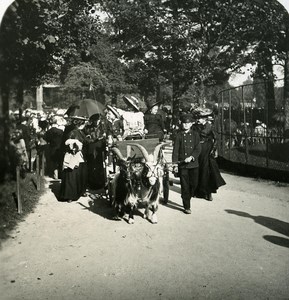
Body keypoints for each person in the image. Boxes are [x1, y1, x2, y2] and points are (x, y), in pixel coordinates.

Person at [172, 114, 201, 214]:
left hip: (194, 164)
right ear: (182, 124)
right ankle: (186, 206)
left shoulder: (195, 134)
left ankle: (189, 195)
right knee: (185, 186)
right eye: (184, 123)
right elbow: (175, 151)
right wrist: (175, 164)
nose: (186, 125)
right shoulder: (179, 135)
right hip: (183, 165)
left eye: (188, 123)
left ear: (191, 124)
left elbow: (198, 148)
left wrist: (192, 157)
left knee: (194, 184)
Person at [194, 110, 226, 201]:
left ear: (204, 118)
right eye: (198, 118)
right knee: (198, 169)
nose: (198, 119)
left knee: (207, 170)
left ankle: (208, 192)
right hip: (199, 149)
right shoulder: (196, 126)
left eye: (200, 118)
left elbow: (209, 135)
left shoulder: (208, 126)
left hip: (207, 149)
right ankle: (199, 191)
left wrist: (214, 149)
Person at [59, 117, 88, 202]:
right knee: (72, 175)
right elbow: (68, 143)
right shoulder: (73, 132)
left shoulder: (79, 132)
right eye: (84, 124)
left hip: (80, 155)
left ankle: (78, 192)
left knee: (78, 175)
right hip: (75, 155)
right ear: (81, 124)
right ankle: (70, 195)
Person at [83, 113, 107, 190]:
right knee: (91, 165)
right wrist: (89, 137)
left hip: (99, 148)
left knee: (99, 165)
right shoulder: (87, 128)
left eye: (98, 120)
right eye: (95, 120)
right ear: (92, 121)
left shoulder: (102, 128)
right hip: (91, 148)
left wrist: (104, 137)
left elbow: (105, 139)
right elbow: (85, 138)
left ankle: (100, 183)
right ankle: (91, 183)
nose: (97, 122)